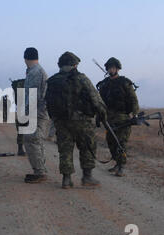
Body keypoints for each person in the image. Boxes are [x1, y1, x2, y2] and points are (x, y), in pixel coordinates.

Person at [46, 52, 107, 189]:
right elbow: (95, 99)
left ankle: (66, 180)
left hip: (61, 121)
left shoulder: (52, 81)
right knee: (87, 146)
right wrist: (102, 113)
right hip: (82, 121)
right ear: (74, 65)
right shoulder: (81, 78)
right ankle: (87, 177)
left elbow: (48, 102)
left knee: (65, 149)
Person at [96, 58, 139, 176]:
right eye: (109, 67)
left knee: (121, 142)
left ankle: (121, 166)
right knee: (111, 142)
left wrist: (133, 113)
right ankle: (116, 163)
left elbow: (133, 99)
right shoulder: (104, 84)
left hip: (123, 117)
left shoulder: (125, 82)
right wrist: (98, 116)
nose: (111, 69)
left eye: (113, 67)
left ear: (117, 69)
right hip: (109, 118)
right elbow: (100, 102)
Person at [22, 48, 49, 184]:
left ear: (26, 58)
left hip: (36, 113)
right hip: (38, 112)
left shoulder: (35, 72)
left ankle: (40, 172)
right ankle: (40, 170)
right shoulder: (35, 71)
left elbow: (33, 96)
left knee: (32, 141)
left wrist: (27, 113)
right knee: (35, 141)